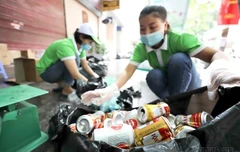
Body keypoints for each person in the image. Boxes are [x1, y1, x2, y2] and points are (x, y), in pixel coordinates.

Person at [81, 5, 230, 106]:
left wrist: (221, 72)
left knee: (179, 59)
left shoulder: (180, 39)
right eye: (142, 29)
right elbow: (128, 70)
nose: (147, 33)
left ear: (165, 26)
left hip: (189, 85)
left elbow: (216, 54)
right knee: (153, 75)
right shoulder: (142, 47)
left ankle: (175, 104)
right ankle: (171, 103)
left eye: (153, 27)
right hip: (169, 88)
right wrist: (110, 90)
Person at [36, 23, 101, 102]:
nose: (90, 45)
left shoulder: (80, 48)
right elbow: (75, 74)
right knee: (74, 61)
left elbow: (85, 65)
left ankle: (62, 85)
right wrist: (91, 85)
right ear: (81, 37)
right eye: (90, 42)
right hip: (46, 73)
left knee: (82, 73)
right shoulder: (66, 46)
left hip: (55, 71)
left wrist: (97, 78)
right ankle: (67, 88)